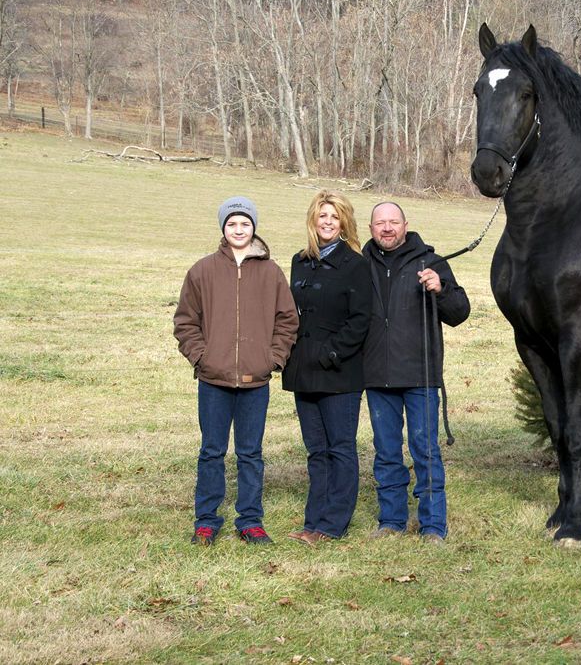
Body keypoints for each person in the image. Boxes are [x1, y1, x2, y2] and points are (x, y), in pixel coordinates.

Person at [174, 196, 298, 546]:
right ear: (223, 229)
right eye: (232, 224)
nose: (239, 229)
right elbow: (186, 321)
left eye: (245, 223)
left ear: (254, 227)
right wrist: (202, 358)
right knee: (212, 451)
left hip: (255, 381)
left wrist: (272, 359)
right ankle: (206, 520)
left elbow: (287, 321)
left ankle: (250, 520)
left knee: (250, 453)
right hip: (214, 380)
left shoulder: (271, 272)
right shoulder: (203, 270)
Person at [362, 201, 470, 543]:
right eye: (381, 223)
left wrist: (441, 289)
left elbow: (460, 312)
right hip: (377, 375)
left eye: (393, 222)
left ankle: (433, 525)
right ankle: (391, 520)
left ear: (406, 225)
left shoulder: (430, 262)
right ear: (371, 228)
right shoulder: (360, 264)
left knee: (425, 450)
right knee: (387, 452)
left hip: (420, 375)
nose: (387, 228)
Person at [282, 191, 372, 546]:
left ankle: (333, 523)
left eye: (334, 217)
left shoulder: (355, 264)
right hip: (303, 370)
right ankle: (312, 521)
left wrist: (332, 353)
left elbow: (360, 319)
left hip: (339, 373)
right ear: (313, 221)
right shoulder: (300, 261)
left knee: (340, 447)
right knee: (316, 449)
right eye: (322, 217)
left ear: (344, 222)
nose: (328, 223)